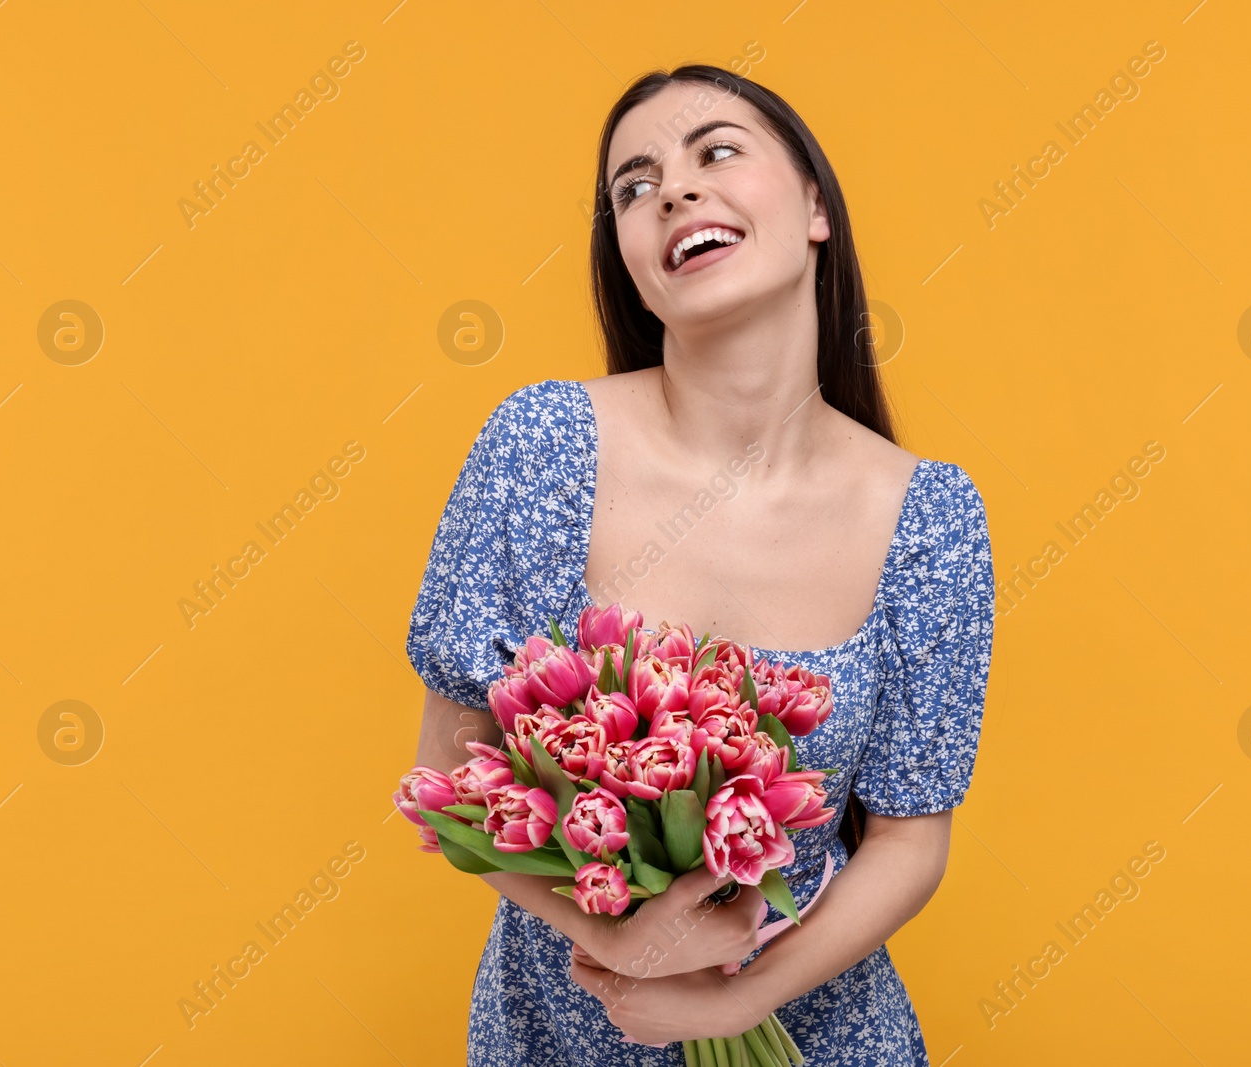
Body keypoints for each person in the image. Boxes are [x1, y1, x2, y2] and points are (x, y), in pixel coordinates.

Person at [406, 63, 995, 1065]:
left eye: (716, 152)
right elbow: (450, 764)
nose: (672, 189)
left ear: (815, 205)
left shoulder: (929, 517)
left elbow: (908, 837)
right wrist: (615, 941)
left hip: (827, 1036)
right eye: (633, 187)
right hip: (563, 1031)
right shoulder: (544, 444)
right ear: (631, 260)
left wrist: (735, 1001)